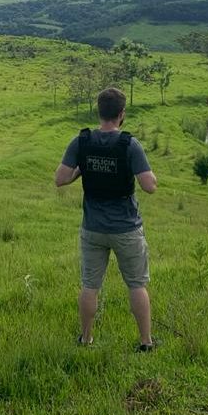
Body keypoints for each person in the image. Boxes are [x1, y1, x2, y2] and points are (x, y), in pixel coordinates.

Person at [55, 87, 158, 351]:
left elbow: (60, 179)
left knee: (90, 285)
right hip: (126, 227)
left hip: (93, 227)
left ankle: (86, 338)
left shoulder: (81, 142)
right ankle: (145, 342)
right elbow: (149, 186)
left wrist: (83, 169)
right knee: (136, 284)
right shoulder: (129, 144)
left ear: (98, 112)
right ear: (122, 114)